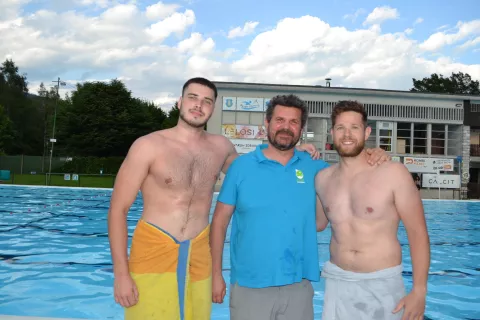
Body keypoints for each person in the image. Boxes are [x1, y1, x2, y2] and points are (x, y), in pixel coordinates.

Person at [107, 77, 321, 320]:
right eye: (193, 98)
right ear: (179, 102)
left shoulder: (221, 148)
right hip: (154, 247)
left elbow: (255, 174)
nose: (199, 105)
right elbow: (118, 210)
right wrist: (121, 274)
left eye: (206, 101)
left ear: (213, 108)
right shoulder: (147, 146)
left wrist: (296, 151)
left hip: (199, 253)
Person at [209, 94, 391, 320]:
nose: (286, 127)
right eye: (279, 120)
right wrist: (216, 274)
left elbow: (322, 220)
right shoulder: (241, 168)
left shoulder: (316, 168)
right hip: (250, 285)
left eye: (293, 122)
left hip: (299, 286)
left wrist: (375, 153)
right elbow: (219, 223)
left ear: (301, 128)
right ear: (267, 123)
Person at [314, 100, 431, 320]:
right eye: (340, 128)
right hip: (338, 283)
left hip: (383, 283)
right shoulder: (322, 179)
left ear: (367, 132)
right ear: (331, 133)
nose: (347, 134)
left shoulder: (393, 173)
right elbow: (318, 224)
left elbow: (418, 234)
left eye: (354, 128)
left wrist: (419, 290)